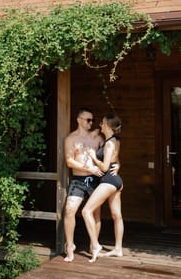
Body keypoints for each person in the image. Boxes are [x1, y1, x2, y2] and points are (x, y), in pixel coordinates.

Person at [63, 108, 119, 262]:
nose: (91, 123)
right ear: (79, 120)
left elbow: (111, 154)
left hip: (96, 181)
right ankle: (70, 246)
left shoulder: (98, 137)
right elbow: (69, 161)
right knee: (69, 210)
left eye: (93, 120)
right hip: (78, 180)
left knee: (95, 214)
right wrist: (88, 168)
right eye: (88, 120)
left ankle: (92, 246)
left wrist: (118, 164)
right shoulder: (71, 139)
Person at [82, 113, 124, 263]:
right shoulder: (114, 140)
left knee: (86, 211)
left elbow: (105, 167)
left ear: (107, 126)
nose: (100, 124)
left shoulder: (109, 143)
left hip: (108, 181)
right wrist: (118, 165)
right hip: (117, 181)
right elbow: (115, 160)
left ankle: (96, 245)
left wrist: (93, 157)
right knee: (116, 215)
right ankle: (118, 249)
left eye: (102, 123)